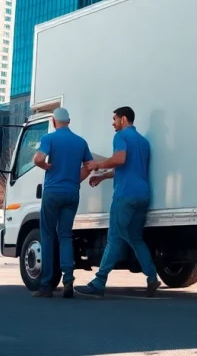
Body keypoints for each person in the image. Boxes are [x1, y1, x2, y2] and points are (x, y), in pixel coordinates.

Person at [76, 106, 160, 298]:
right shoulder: (143, 142)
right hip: (142, 195)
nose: (113, 123)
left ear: (123, 119)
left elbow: (120, 159)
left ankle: (98, 282)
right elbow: (127, 168)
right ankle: (152, 277)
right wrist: (103, 176)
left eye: (114, 119)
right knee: (136, 239)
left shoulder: (121, 137)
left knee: (114, 238)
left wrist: (97, 165)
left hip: (125, 195)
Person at [32, 107, 93, 299]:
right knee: (65, 236)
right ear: (69, 121)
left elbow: (38, 158)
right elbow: (89, 166)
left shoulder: (49, 139)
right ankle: (68, 279)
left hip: (52, 192)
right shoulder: (80, 142)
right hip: (72, 193)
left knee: (48, 236)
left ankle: (47, 286)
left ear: (53, 121)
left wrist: (44, 165)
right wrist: (75, 180)